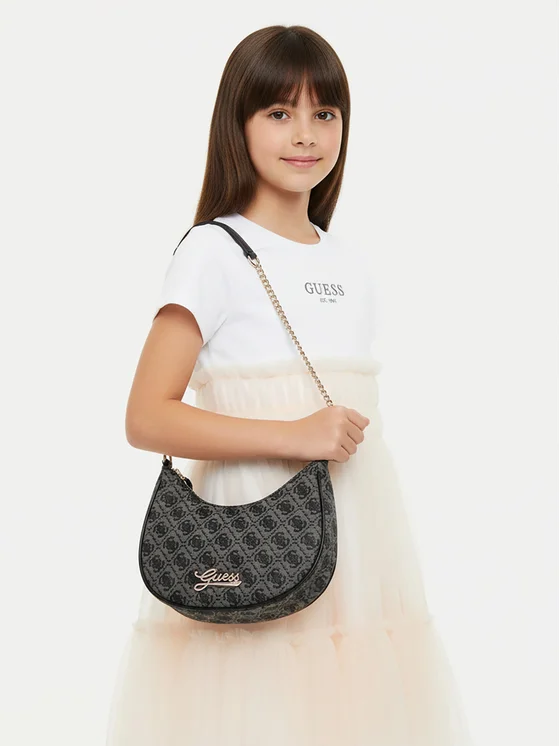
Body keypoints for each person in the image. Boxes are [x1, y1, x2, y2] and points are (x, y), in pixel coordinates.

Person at [105, 24, 474, 746]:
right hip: (252, 525)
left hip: (361, 538)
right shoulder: (213, 252)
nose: (305, 134)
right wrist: (293, 435)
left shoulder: (348, 262)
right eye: (279, 112)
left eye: (324, 113)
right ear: (237, 124)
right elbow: (146, 416)